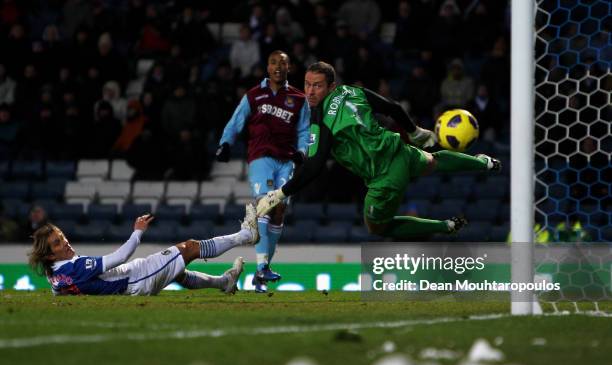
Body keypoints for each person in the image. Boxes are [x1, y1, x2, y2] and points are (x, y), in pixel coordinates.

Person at [257, 61, 502, 240]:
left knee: (377, 227)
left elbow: (315, 166)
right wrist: (415, 131)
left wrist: (279, 194)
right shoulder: (352, 91)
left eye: (318, 86)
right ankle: (484, 163)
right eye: (307, 85)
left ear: (331, 86)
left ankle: (444, 226)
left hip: (383, 178)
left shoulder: (321, 118)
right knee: (433, 161)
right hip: (400, 150)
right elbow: (392, 107)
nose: (310, 91)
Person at [216, 50, 309, 293]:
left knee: (279, 210)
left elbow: (304, 131)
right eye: (274, 62)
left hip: (286, 161)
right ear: (267, 67)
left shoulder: (299, 99)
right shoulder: (254, 95)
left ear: (289, 68)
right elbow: (237, 120)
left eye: (283, 63)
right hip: (261, 158)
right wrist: (225, 143)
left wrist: (302, 151)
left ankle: (263, 271)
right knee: (265, 206)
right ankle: (261, 268)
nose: (278, 66)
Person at [28, 204, 259, 296]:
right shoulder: (75, 267)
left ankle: (224, 283)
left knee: (179, 273)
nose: (65, 242)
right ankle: (246, 235)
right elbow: (119, 257)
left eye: (62, 236)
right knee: (189, 248)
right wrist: (137, 231)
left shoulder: (55, 274)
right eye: (58, 243)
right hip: (137, 279)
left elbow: (60, 291)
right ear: (50, 255)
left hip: (132, 281)